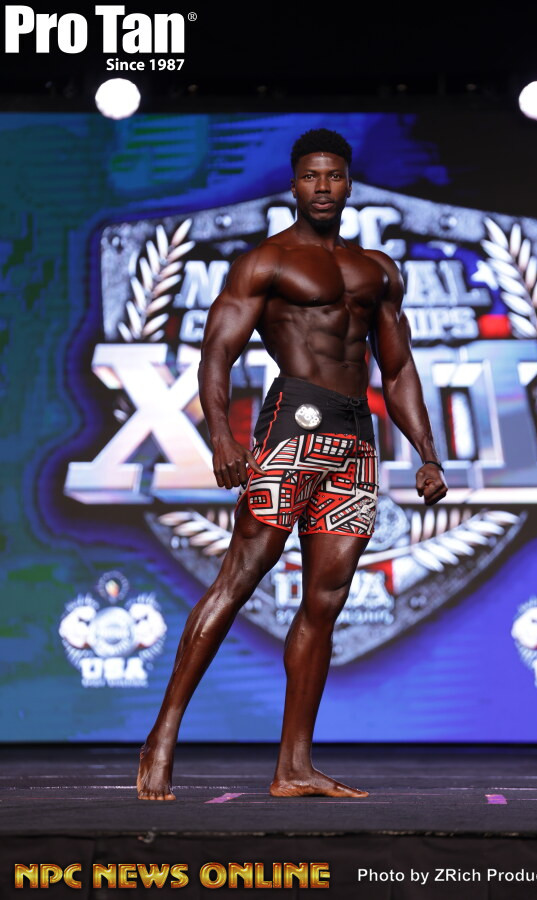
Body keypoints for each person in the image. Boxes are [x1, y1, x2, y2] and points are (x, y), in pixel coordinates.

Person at [137, 128, 447, 801]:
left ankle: (294, 766)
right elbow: (217, 354)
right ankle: (163, 733)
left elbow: (398, 369)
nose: (323, 186)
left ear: (349, 183)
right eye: (311, 176)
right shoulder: (266, 262)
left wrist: (428, 454)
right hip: (291, 431)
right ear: (294, 184)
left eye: (333, 175)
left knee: (326, 601)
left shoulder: (378, 270)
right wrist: (221, 438)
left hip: (355, 443)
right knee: (239, 577)